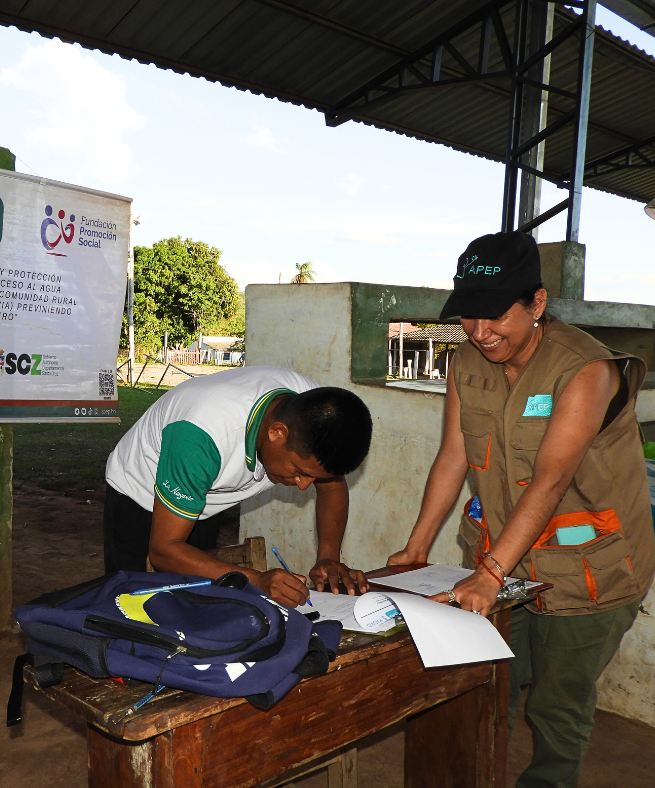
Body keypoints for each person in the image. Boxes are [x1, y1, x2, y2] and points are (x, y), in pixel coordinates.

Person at [388, 231, 655, 788]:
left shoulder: (585, 369)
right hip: (508, 562)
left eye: (495, 316)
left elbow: (551, 482)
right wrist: (416, 548)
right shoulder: (466, 361)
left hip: (591, 571)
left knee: (558, 706)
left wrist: (489, 574)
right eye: (468, 315)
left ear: (537, 303)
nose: (480, 331)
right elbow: (453, 455)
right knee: (490, 685)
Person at [104, 365, 374, 607]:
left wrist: (328, 558)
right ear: (277, 432)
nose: (303, 486)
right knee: (130, 604)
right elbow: (164, 549)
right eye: (299, 471)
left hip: (204, 488)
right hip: (140, 492)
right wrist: (256, 581)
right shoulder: (202, 435)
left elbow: (331, 485)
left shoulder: (318, 413)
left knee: (195, 598)